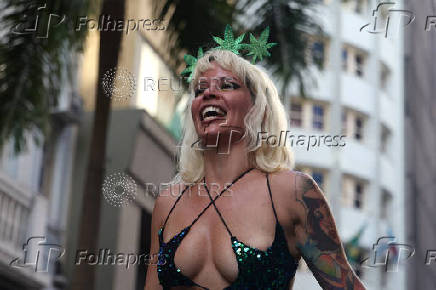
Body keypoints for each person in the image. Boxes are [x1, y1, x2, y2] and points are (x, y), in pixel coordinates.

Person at [145, 49, 366, 289]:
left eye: (227, 85)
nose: (208, 93)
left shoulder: (292, 193)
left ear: (257, 108)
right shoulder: (168, 203)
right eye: (200, 90)